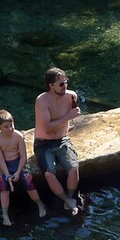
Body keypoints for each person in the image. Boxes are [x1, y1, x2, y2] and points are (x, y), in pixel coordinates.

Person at [34, 67, 81, 215]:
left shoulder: (71, 96)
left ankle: (69, 196)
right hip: (44, 142)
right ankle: (67, 201)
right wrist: (68, 117)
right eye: (61, 84)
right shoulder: (42, 100)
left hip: (63, 140)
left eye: (66, 83)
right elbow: (47, 128)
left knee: (73, 169)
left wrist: (66, 126)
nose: (65, 86)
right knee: (49, 174)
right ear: (51, 85)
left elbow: (68, 116)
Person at [0, 110, 46, 225]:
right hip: (5, 165)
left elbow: (23, 157)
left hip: (19, 163)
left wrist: (18, 171)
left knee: (28, 182)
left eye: (11, 125)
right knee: (4, 187)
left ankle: (40, 205)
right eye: (6, 127)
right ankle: (5, 215)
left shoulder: (18, 136)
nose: (10, 129)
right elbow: (0, 160)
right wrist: (7, 175)